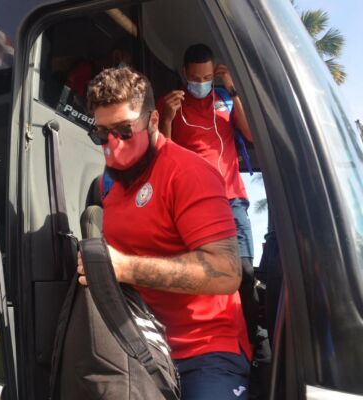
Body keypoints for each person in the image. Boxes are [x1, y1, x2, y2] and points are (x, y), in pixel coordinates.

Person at [78, 66, 252, 400]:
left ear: (154, 120)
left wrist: (124, 267)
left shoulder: (189, 173)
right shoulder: (108, 184)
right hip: (138, 346)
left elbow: (226, 272)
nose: (113, 147)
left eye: (125, 131)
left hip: (205, 351)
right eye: (102, 134)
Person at [158, 43, 259, 347]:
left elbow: (251, 134)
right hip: (196, 204)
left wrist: (232, 88)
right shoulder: (171, 104)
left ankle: (255, 346)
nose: (201, 84)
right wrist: (166, 119)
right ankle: (213, 344)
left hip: (232, 198)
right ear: (184, 74)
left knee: (245, 272)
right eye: (195, 78)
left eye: (206, 78)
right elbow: (162, 156)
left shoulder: (225, 99)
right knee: (204, 277)